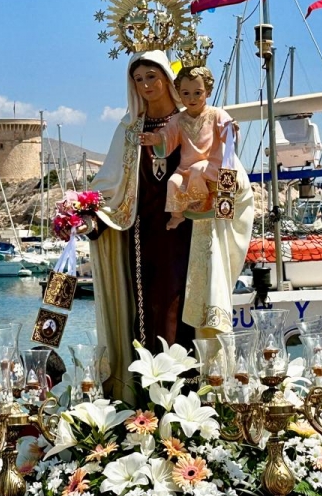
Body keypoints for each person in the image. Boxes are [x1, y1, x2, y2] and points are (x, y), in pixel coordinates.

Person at [89, 50, 254, 403]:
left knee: (183, 311)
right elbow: (110, 184)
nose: (146, 85)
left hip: (191, 235)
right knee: (146, 312)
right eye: (139, 79)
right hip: (141, 238)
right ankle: (147, 399)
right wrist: (89, 214)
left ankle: (193, 398)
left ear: (167, 78)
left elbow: (227, 167)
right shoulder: (130, 129)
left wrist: (225, 188)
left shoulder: (196, 119)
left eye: (153, 76)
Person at [138, 65, 237, 229]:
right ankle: (177, 216)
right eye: (186, 93)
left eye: (197, 93)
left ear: (208, 92)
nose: (192, 98)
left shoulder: (216, 114)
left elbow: (227, 129)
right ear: (179, 94)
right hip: (185, 169)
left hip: (212, 166)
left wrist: (232, 129)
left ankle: (202, 202)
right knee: (173, 182)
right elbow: (167, 136)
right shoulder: (178, 119)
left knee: (198, 170)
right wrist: (155, 139)